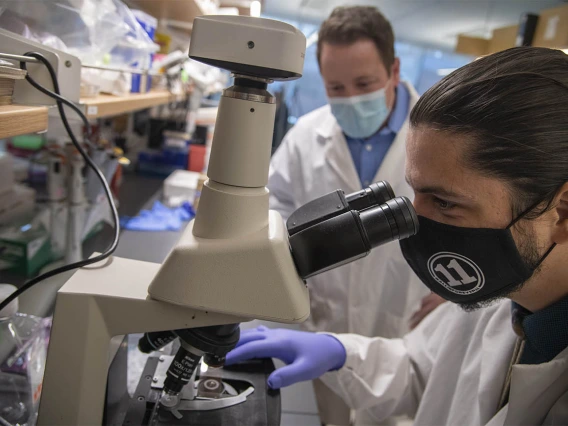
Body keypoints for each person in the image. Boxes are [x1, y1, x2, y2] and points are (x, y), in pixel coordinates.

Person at [227, 47, 568, 425]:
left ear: (562, 211)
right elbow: (421, 369)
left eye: (444, 202)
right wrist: (339, 351)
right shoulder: (504, 298)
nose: (415, 222)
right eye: (414, 193)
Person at [268, 6, 441, 423]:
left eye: (364, 83)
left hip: (410, 324)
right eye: (336, 87)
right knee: (335, 416)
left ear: (394, 69)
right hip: (328, 324)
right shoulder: (305, 136)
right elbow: (274, 211)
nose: (350, 99)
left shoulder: (441, 138)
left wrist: (453, 293)